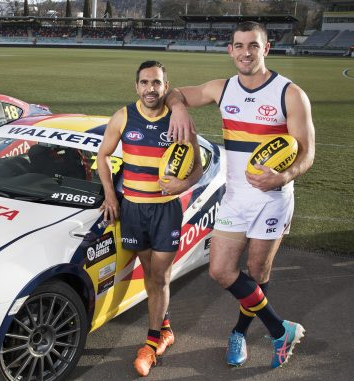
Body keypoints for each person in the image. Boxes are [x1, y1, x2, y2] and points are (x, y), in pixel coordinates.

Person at [166, 21, 315, 368]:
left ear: (267, 49)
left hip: (272, 199)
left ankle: (240, 332)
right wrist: (178, 108)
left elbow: (307, 153)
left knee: (257, 272)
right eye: (239, 45)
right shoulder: (223, 89)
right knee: (220, 271)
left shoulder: (289, 93)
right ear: (230, 50)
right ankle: (281, 329)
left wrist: (284, 176)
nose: (245, 52)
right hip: (235, 196)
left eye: (253, 45)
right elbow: (176, 93)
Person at [97, 61, 203, 377]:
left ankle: (151, 343)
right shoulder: (124, 116)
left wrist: (183, 184)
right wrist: (111, 195)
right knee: (149, 273)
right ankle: (165, 328)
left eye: (156, 83)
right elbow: (103, 155)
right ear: (137, 87)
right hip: (132, 209)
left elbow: (196, 168)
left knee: (160, 275)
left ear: (165, 86)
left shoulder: (180, 120)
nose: (150, 89)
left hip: (166, 210)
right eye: (144, 83)